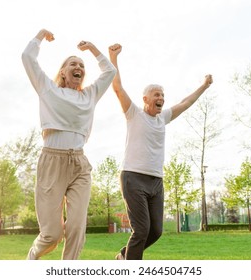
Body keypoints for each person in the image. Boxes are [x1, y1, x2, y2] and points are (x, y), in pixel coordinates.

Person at [108, 43, 213, 260]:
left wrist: (204, 86)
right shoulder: (134, 114)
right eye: (157, 95)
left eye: (163, 95)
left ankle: (122, 257)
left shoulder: (162, 118)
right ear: (145, 99)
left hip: (156, 181)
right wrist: (113, 57)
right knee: (142, 229)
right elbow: (117, 87)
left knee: (156, 231)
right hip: (133, 178)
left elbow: (186, 102)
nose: (161, 98)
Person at [22, 29, 116, 260]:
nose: (79, 68)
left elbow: (110, 71)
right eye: (73, 64)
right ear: (63, 72)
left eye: (82, 66)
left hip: (79, 165)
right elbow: (27, 57)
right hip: (52, 161)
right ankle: (32, 255)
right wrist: (41, 35)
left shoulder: (90, 95)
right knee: (52, 235)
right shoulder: (48, 89)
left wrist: (93, 49)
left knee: (76, 228)